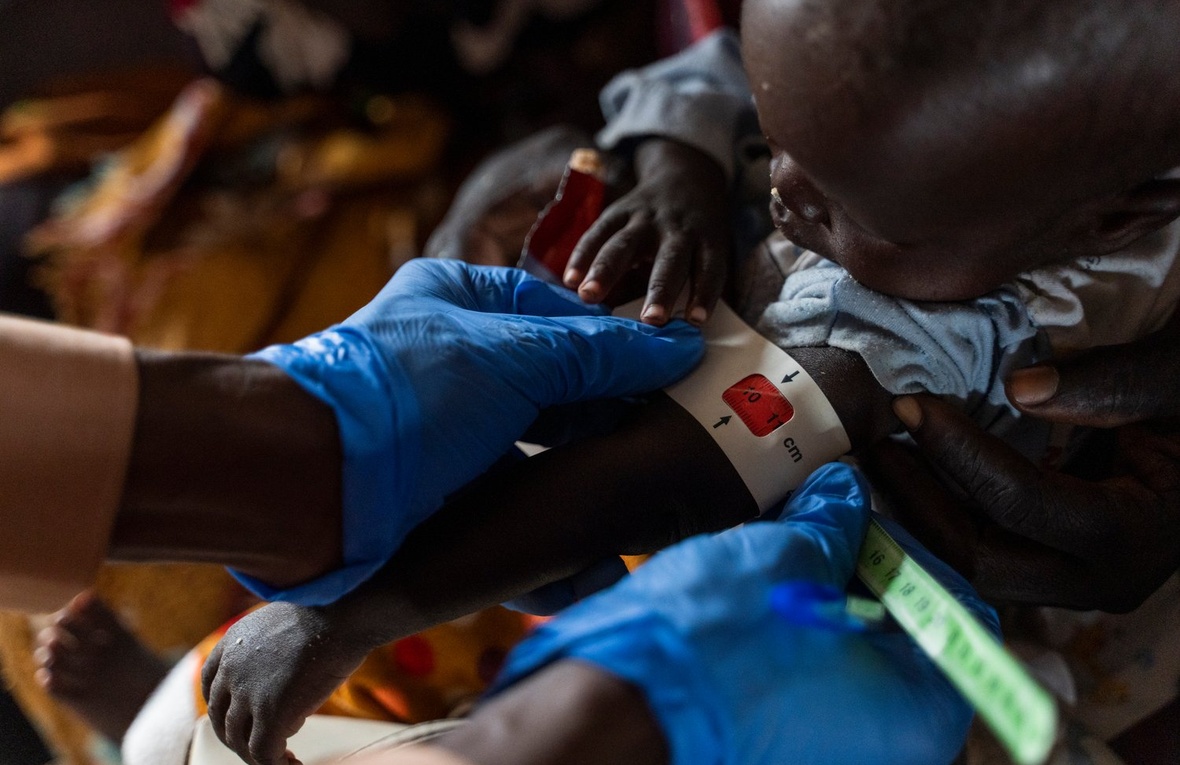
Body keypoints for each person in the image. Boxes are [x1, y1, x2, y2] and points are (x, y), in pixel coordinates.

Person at [195, 0, 1180, 761]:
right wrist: (680, 163)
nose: (785, 195)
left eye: (848, 215)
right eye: (780, 143)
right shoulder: (943, 150)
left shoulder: (945, 318)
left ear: (1114, 225)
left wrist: (350, 614)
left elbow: (652, 478)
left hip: (833, 637)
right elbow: (730, 71)